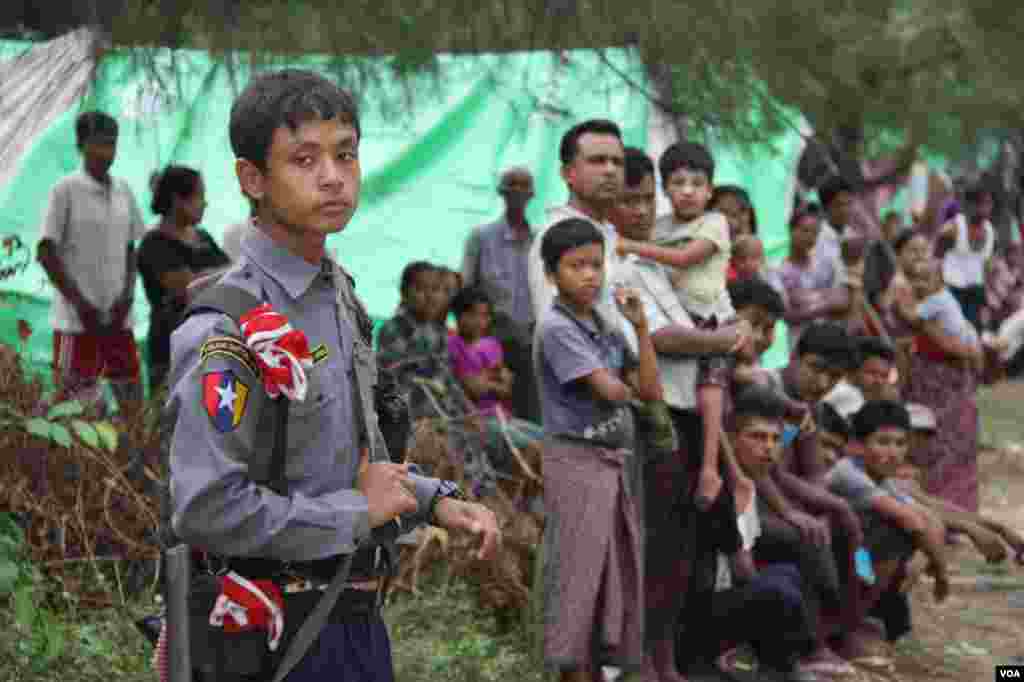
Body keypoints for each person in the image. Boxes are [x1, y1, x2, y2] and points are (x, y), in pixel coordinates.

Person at [166, 69, 499, 682]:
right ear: (253, 180)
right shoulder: (227, 328)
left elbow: (349, 459)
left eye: (346, 154)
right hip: (271, 636)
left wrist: (433, 502)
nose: (332, 176)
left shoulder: (338, 296)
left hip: (355, 620)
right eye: (304, 159)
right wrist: (355, 513)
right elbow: (206, 509)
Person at [611, 147, 751, 682]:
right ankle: (648, 660)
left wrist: (722, 337)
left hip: (690, 405)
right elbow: (667, 338)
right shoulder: (615, 258)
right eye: (634, 197)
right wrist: (724, 338)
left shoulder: (677, 239)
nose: (644, 207)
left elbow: (691, 314)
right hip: (657, 409)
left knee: (682, 545)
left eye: (647, 196)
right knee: (660, 545)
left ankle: (671, 658)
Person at [534, 217, 662, 682]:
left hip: (612, 464)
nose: (590, 275)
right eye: (575, 266)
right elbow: (611, 390)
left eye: (595, 265)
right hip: (577, 463)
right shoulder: (556, 328)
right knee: (580, 580)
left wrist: (642, 327)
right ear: (552, 275)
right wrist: (630, 390)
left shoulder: (604, 323)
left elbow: (648, 388)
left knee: (612, 574)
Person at [616, 141, 737, 512]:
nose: (687, 191)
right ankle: (718, 470)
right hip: (677, 323)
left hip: (707, 316)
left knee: (711, 391)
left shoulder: (714, 223)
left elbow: (685, 258)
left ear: (710, 190)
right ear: (667, 189)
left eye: (697, 184)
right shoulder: (660, 226)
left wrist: (633, 246)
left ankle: (711, 468)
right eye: (678, 183)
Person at [695, 385, 821, 682]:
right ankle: (779, 661)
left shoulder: (750, 485)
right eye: (757, 437)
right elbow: (741, 568)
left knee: (788, 574)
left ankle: (779, 661)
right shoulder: (719, 486)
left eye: (775, 439)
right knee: (780, 590)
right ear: (733, 439)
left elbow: (745, 568)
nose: (769, 447)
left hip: (730, 591)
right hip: (699, 612)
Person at [36, 110, 145, 412]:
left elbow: (130, 249)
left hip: (118, 318)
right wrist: (81, 304)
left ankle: (134, 456)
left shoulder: (123, 190)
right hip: (77, 322)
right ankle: (66, 458)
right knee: (71, 404)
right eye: (98, 144)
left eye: (111, 144)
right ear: (81, 145)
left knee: (131, 396)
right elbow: (46, 252)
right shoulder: (65, 190)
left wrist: (127, 296)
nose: (105, 152)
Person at [825, 401, 950, 624]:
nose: (893, 453)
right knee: (896, 534)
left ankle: (862, 615)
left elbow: (930, 518)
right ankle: (853, 618)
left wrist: (926, 559)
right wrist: (941, 573)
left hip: (856, 554)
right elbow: (912, 520)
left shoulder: (883, 479)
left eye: (900, 443)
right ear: (858, 445)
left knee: (903, 541)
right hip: (828, 558)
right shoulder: (848, 472)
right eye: (883, 442)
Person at [526, 119, 631, 348]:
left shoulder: (611, 234)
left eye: (617, 162)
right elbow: (559, 335)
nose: (610, 170)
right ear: (567, 173)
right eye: (597, 161)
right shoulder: (554, 237)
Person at [137, 165, 231, 391]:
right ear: (178, 200)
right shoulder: (154, 244)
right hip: (171, 353)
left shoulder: (203, 237)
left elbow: (233, 275)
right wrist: (219, 275)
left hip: (207, 347)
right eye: (199, 196)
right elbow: (187, 288)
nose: (205, 203)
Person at [903, 257, 983, 512]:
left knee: (949, 445)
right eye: (916, 278)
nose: (920, 284)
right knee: (935, 445)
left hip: (947, 381)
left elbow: (952, 346)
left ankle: (951, 511)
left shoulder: (933, 304)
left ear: (939, 281)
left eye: (926, 279)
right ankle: (942, 511)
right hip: (934, 381)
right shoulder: (938, 301)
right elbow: (952, 346)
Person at [447, 286, 543, 495]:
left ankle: (522, 501)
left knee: (548, 440)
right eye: (472, 314)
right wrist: (492, 380)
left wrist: (486, 380)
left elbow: (506, 389)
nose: (479, 321)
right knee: (531, 447)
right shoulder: (452, 344)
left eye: (484, 316)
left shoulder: (492, 345)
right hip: (478, 420)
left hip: (503, 417)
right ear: (457, 315)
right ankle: (509, 501)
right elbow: (472, 390)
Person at [462, 167, 539, 419]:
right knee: (494, 412)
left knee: (530, 409)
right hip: (491, 344)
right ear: (502, 192)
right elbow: (466, 290)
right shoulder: (481, 237)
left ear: (531, 194)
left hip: (532, 342)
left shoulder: (540, 241)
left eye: (523, 187)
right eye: (512, 186)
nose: (517, 193)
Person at [772, 206, 847, 351]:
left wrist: (807, 302)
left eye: (815, 233)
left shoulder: (826, 265)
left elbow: (843, 301)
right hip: (799, 343)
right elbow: (786, 314)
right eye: (805, 231)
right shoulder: (778, 271)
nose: (810, 238)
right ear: (791, 230)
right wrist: (826, 300)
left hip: (830, 339)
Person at [376, 261, 450, 393]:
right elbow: (394, 376)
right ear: (404, 294)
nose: (430, 296)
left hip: (432, 406)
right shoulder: (393, 329)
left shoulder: (440, 331)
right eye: (421, 289)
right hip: (401, 406)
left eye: (436, 289)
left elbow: (442, 373)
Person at [938, 183, 996, 332]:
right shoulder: (952, 229)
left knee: (974, 333)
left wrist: (987, 295)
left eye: (988, 204)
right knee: (953, 332)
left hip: (975, 291)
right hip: (951, 289)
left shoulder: (989, 231)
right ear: (969, 205)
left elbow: (986, 265)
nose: (985, 209)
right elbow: (936, 260)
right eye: (981, 204)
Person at [823, 336, 900, 419]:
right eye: (872, 373)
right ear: (853, 370)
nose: (879, 381)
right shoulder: (846, 394)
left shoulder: (866, 395)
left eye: (884, 376)